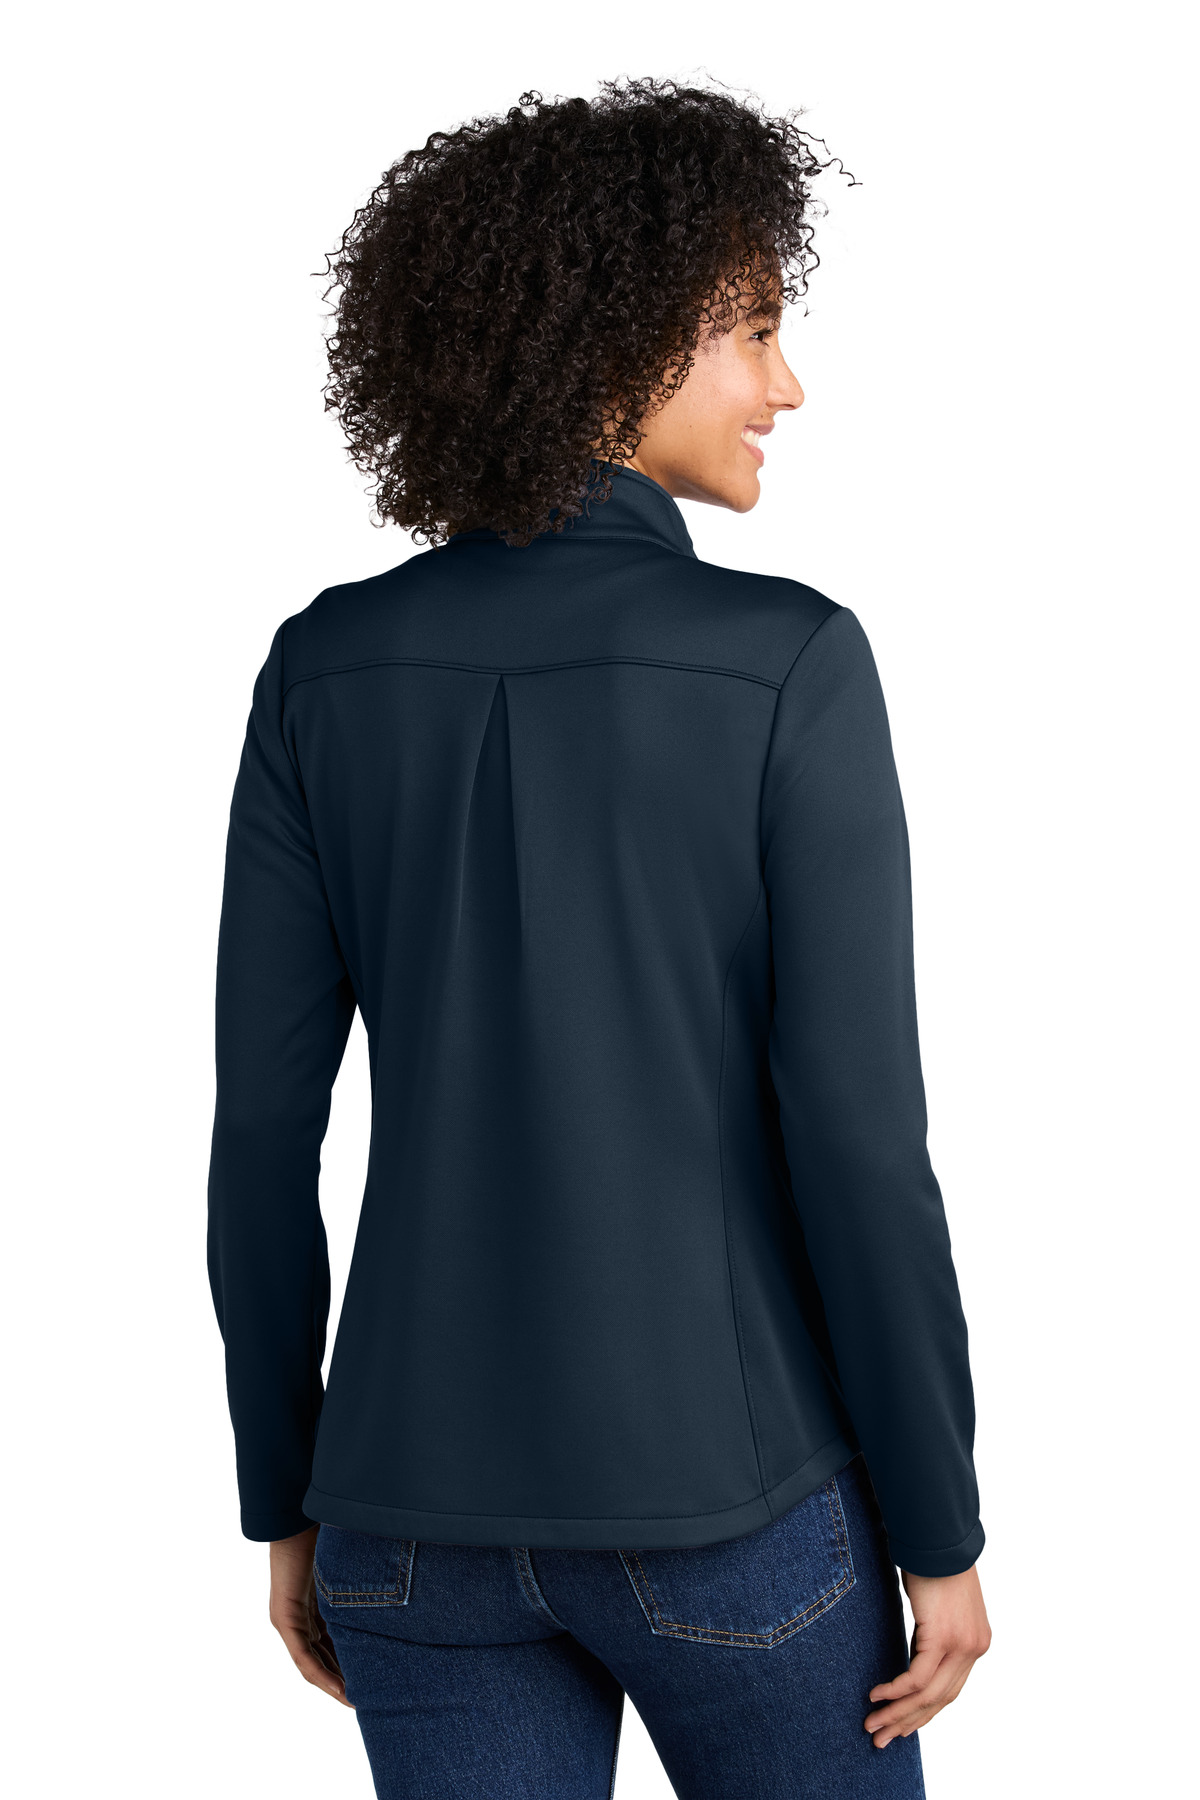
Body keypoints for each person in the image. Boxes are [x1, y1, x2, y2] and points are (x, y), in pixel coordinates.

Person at [207, 76, 991, 1799]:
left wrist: (286, 1494)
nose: (789, 385)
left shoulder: (320, 669)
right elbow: (860, 1141)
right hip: (732, 1510)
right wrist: (940, 1529)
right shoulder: (791, 663)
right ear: (620, 338)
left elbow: (260, 1136)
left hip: (404, 1523)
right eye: (755, 332)